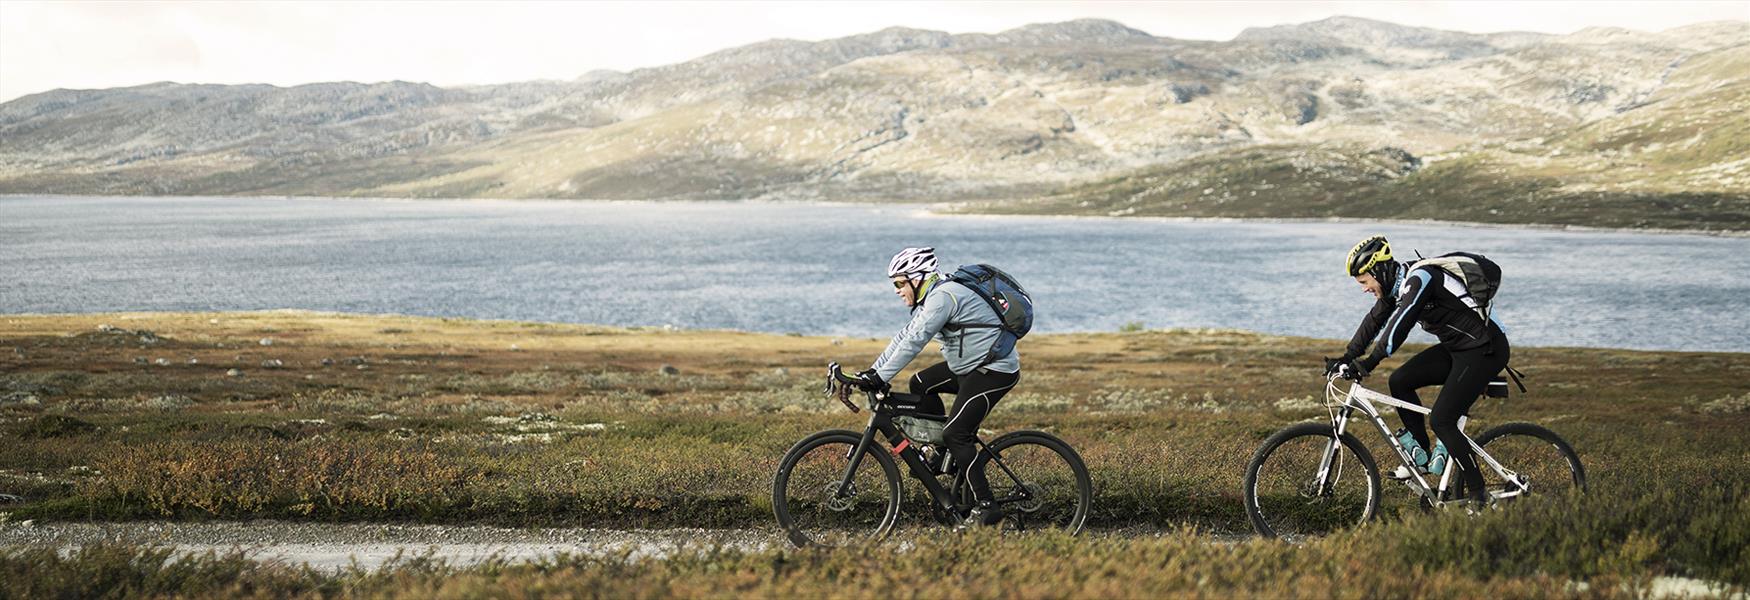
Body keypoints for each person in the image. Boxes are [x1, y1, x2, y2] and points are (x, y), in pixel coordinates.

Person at [1328, 235, 1510, 508]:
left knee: (1442, 421)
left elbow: (1399, 326)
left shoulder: (1420, 278)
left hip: (1485, 349)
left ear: (1379, 271)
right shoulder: (1396, 288)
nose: (1364, 289)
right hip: (1457, 349)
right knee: (1400, 381)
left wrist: (1369, 363)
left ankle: (1479, 495)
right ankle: (1422, 455)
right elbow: (1373, 322)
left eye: (1365, 282)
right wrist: (1347, 357)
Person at [854, 247, 1021, 527]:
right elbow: (904, 336)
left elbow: (915, 341)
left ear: (917, 278)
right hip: (969, 366)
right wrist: (873, 372)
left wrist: (880, 377)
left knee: (956, 434)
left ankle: (987, 506)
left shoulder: (943, 297)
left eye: (899, 283)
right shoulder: (932, 297)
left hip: (994, 372)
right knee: (920, 384)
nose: (897, 290)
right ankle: (944, 454)